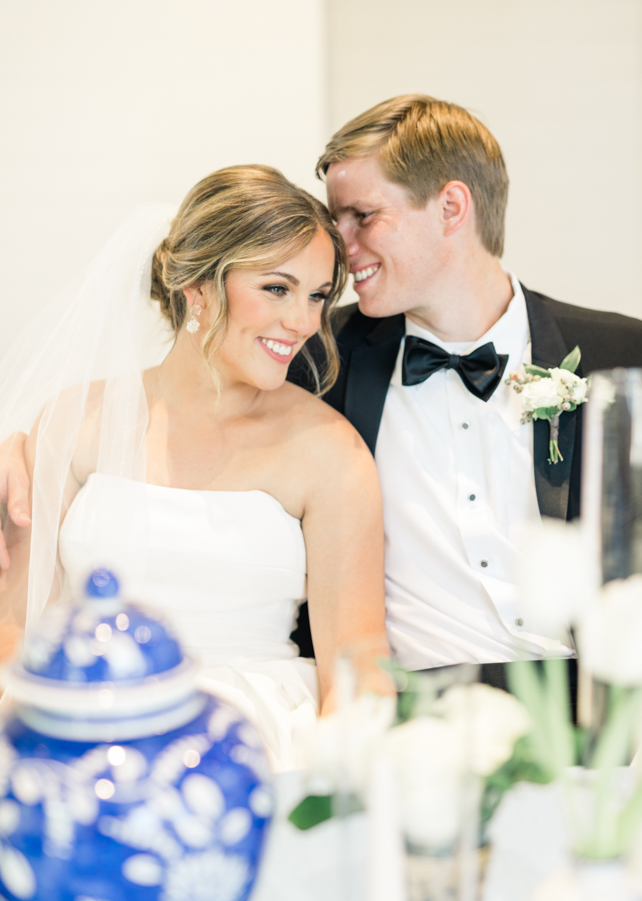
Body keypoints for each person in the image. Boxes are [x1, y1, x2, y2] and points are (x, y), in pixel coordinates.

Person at [0, 164, 387, 771]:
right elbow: (18, 627)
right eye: (277, 289)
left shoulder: (331, 451)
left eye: (317, 296)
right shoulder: (76, 422)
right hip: (91, 729)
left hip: (259, 743)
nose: (305, 323)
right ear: (198, 288)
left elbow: (358, 660)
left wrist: (338, 783)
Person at [288, 94, 642, 684]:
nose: (340, 244)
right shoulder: (314, 360)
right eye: (336, 219)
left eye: (361, 216)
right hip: (412, 720)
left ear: (451, 206)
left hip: (602, 717)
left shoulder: (637, 360)